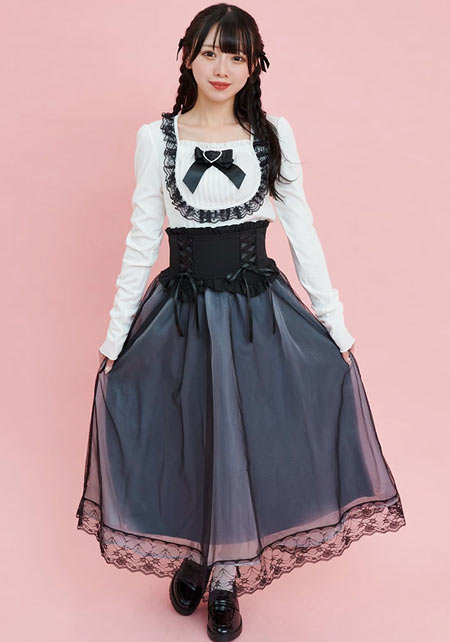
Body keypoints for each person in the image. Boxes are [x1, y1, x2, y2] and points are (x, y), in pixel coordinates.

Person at [76, 4, 406, 640]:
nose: (221, 67)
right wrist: (115, 336)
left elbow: (302, 230)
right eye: (208, 52)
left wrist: (335, 323)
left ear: (255, 64)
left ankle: (224, 578)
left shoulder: (272, 135)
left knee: (247, 436)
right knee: (190, 435)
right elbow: (142, 240)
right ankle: (198, 555)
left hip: (257, 314)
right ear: (187, 59)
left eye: (235, 54)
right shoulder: (156, 139)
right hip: (182, 315)